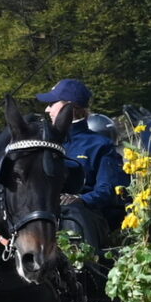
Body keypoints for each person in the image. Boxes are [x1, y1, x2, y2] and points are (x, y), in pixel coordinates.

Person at [38, 78, 127, 233]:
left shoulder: (100, 145)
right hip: (43, 218)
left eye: (52, 103)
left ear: (70, 106)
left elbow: (108, 190)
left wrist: (81, 200)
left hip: (83, 222)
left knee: (73, 215)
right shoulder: (41, 142)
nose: (47, 110)